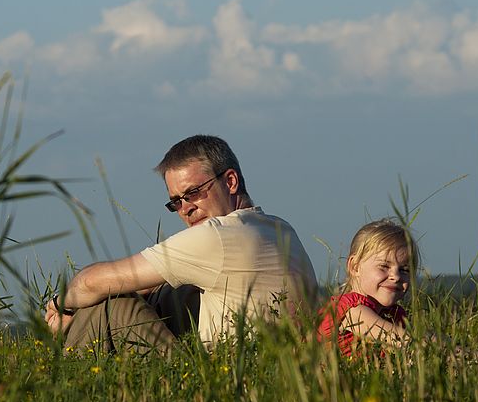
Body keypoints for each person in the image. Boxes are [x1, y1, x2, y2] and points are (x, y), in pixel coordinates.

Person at [45, 135, 318, 354]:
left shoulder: (216, 236)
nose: (186, 208)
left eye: (193, 193)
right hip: (275, 367)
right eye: (176, 202)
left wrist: (62, 306)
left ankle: (69, 387)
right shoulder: (279, 228)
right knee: (168, 291)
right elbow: (148, 283)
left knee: (109, 304)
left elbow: (91, 283)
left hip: (221, 381)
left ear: (230, 181)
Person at [316, 219, 416, 358]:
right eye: (384, 267)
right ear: (355, 267)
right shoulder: (350, 309)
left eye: (404, 270)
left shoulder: (394, 314)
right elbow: (406, 341)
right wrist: (451, 349)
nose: (396, 276)